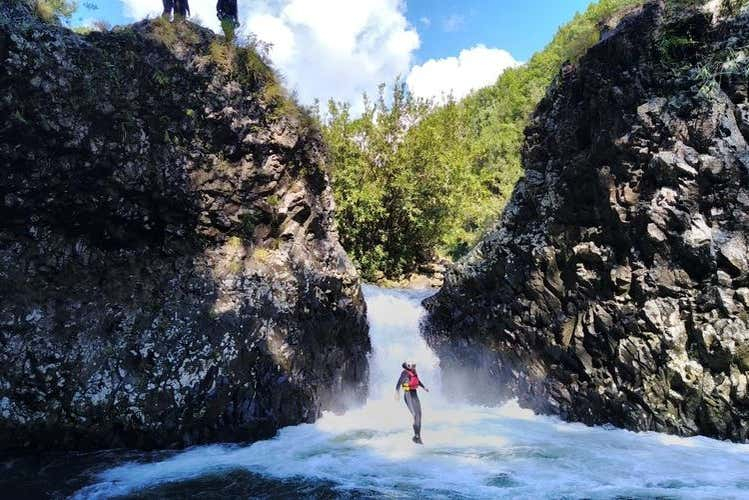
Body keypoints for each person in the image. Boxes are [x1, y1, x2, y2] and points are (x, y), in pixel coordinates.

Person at [395, 361, 429, 444]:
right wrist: (397, 392)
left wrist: (424, 387)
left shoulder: (413, 372)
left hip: (414, 394)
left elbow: (417, 381)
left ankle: (417, 437)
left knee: (419, 415)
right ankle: (416, 437)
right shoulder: (404, 373)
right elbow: (399, 382)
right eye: (413, 365)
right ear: (408, 366)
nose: (414, 366)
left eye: (415, 365)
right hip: (408, 394)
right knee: (415, 415)